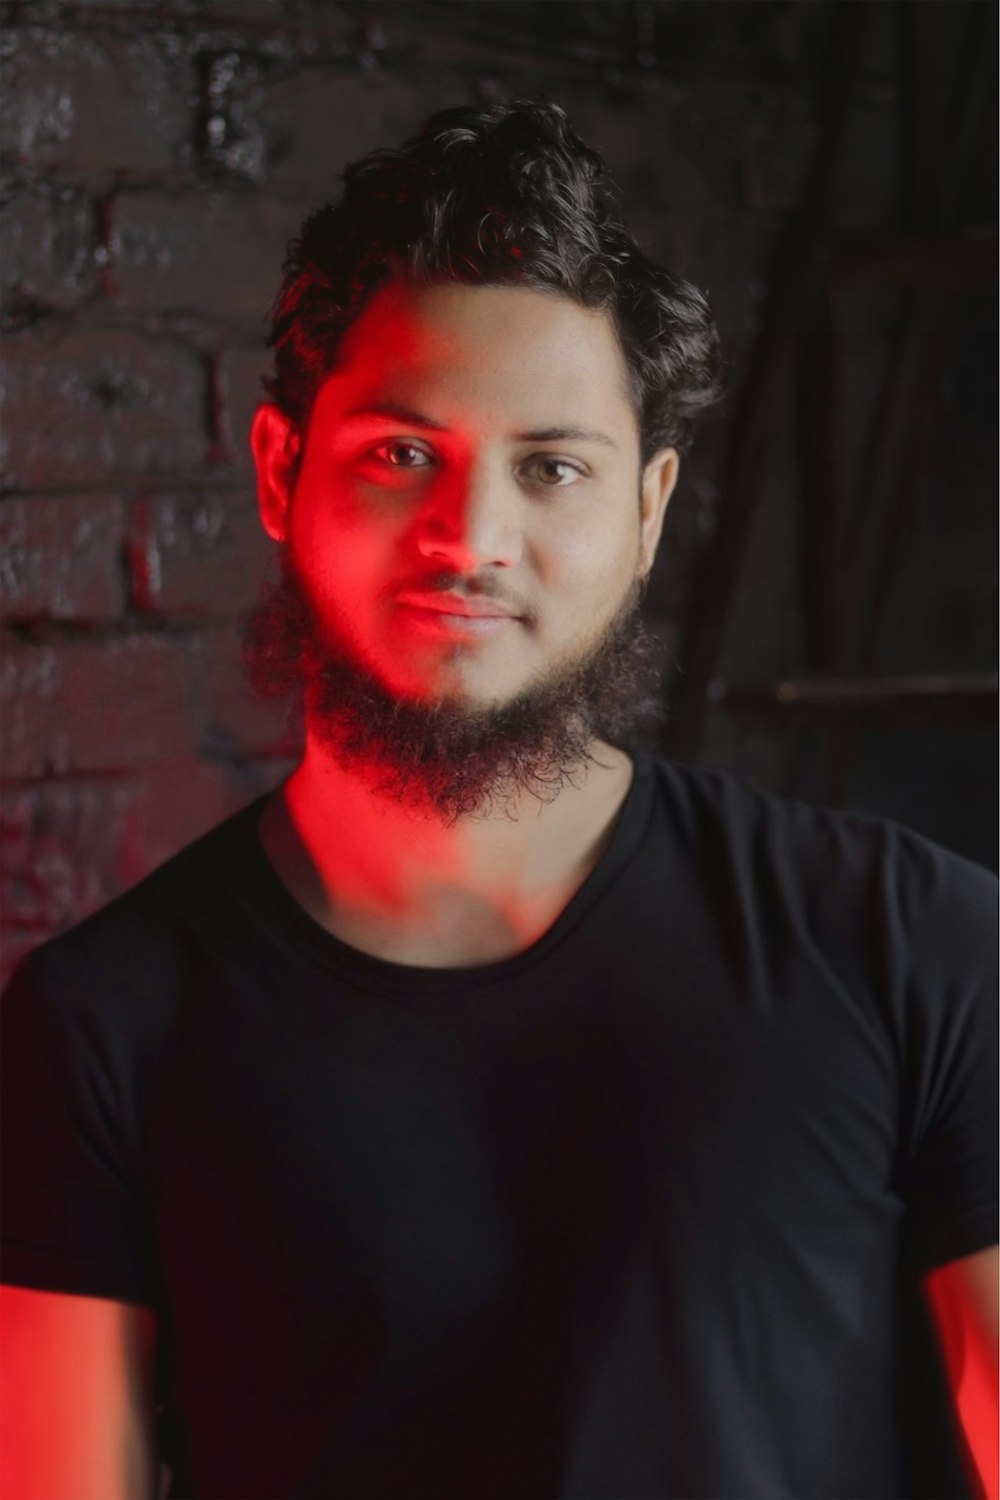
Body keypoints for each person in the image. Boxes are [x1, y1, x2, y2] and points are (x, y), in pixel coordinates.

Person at [0, 98, 996, 1500]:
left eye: (551, 469)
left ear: (647, 513)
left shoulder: (916, 944)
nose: (473, 540)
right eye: (403, 454)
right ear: (284, 473)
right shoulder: (99, 1027)